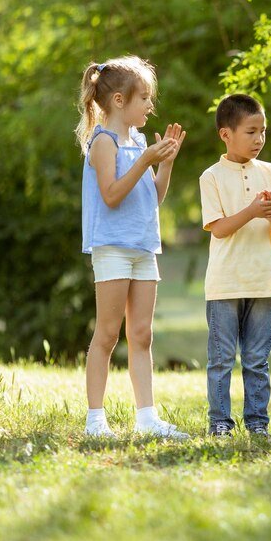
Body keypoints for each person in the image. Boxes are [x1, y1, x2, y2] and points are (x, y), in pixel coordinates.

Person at [78, 55, 189, 440]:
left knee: (141, 334)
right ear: (120, 101)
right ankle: (96, 419)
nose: (150, 105)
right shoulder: (103, 142)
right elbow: (110, 196)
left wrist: (166, 164)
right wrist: (144, 160)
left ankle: (147, 417)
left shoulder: (140, 140)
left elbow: (152, 198)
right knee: (108, 334)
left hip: (144, 246)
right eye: (144, 98)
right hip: (112, 247)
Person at [200, 93, 271, 438]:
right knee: (222, 359)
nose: (259, 139)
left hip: (264, 278)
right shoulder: (211, 177)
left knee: (257, 359)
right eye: (251, 132)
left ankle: (257, 422)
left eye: (263, 131)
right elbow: (219, 228)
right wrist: (252, 211)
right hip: (225, 281)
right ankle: (220, 421)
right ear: (226, 134)